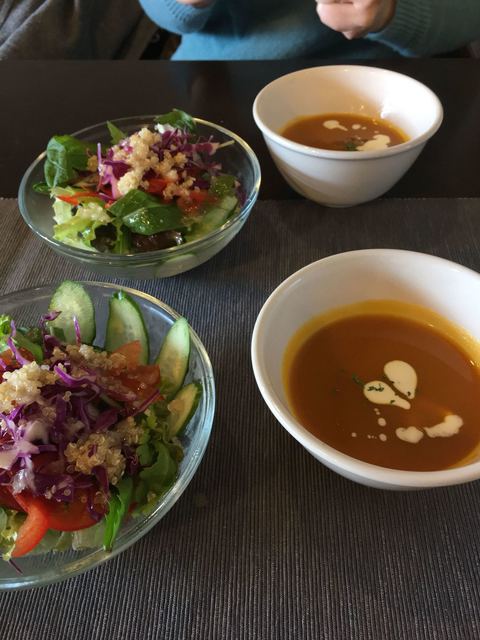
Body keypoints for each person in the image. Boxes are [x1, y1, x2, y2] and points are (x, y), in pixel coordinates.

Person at [138, 0, 480, 60]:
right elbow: (161, 10)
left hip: (381, 82)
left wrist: (392, 13)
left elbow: (469, 16)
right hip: (214, 78)